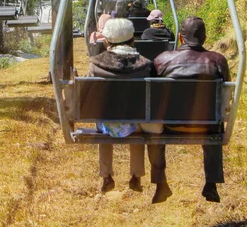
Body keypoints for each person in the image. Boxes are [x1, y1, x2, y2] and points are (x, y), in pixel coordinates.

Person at [88, 18, 171, 201]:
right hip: (135, 122)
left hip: (108, 124)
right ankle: (136, 175)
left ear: (106, 41)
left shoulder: (95, 64)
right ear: (133, 40)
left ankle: (107, 175)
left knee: (105, 119)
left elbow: (90, 95)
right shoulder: (145, 65)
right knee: (137, 119)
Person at [153, 16, 231, 203]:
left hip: (170, 126)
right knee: (214, 117)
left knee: (153, 127)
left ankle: (160, 183)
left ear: (180, 37)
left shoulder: (163, 59)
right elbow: (227, 94)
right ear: (205, 38)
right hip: (207, 126)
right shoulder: (218, 60)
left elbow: (153, 95)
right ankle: (211, 184)